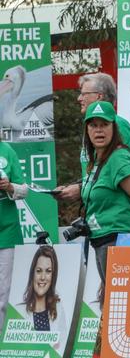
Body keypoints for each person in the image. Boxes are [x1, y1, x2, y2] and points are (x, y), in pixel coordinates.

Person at [81, 101, 130, 281]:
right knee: (112, 303)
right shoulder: (96, 159)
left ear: (114, 127)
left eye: (104, 125)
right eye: (93, 125)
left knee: (122, 305)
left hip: (120, 241)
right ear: (87, 130)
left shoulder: (118, 157)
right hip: (102, 241)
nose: (98, 130)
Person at [55, 72, 130, 201]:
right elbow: (96, 170)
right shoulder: (92, 126)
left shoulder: (117, 124)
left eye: (84, 94)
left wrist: (80, 189)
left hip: (114, 211)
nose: (79, 99)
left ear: (99, 96)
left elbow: (121, 172)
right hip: (98, 210)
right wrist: (75, 186)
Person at [0, 140, 28, 331]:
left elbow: (24, 190)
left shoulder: (7, 151)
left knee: (4, 292)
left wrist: (9, 187)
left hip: (7, 231)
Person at [18, 246, 67, 350]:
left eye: (48, 271)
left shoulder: (58, 307)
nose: (43, 277)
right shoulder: (18, 310)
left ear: (53, 275)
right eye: (39, 271)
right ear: (33, 273)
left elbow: (62, 345)